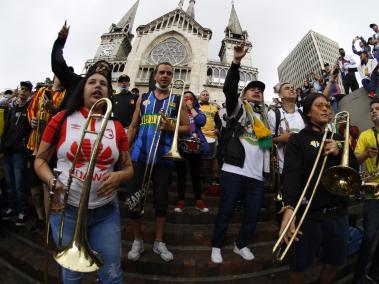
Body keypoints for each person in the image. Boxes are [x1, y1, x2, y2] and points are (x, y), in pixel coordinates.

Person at [34, 69, 133, 284]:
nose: (97, 86)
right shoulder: (61, 119)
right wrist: (53, 182)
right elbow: (39, 161)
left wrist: (119, 177)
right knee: (71, 273)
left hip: (106, 211)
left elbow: (128, 168)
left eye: (103, 84)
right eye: (92, 82)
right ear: (83, 89)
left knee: (112, 273)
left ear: (109, 92)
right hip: (66, 209)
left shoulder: (116, 127)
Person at [280, 92, 359, 284]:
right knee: (299, 266)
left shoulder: (338, 138)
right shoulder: (297, 140)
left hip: (338, 213)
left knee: (334, 262)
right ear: (308, 112)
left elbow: (354, 170)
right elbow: (290, 175)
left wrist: (339, 152)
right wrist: (289, 208)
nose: (325, 108)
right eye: (319, 105)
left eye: (327, 105)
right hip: (309, 215)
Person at [211, 42, 271, 264]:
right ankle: (217, 245)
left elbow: (267, 146)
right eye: (253, 89)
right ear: (244, 95)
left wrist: (266, 171)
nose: (258, 91)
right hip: (234, 169)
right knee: (226, 210)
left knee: (253, 215)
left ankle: (240, 245)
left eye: (260, 90)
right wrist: (235, 62)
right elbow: (229, 88)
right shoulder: (237, 109)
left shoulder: (266, 117)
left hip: (256, 175)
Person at [126, 62, 190, 262]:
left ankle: (158, 241)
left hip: (163, 158)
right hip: (139, 156)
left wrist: (171, 127)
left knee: (161, 201)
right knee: (134, 199)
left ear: (172, 77)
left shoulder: (178, 99)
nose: (165, 76)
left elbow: (187, 128)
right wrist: (124, 151)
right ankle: (137, 240)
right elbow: (134, 126)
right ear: (154, 76)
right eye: (161, 72)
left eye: (169, 73)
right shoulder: (142, 98)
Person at [26, 75, 66, 232]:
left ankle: (49, 223)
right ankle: (41, 219)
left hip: (50, 149)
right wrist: (32, 120)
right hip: (33, 144)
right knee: (34, 188)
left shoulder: (65, 95)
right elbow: (31, 109)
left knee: (46, 186)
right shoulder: (42, 90)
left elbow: (65, 117)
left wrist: (53, 109)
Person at [51, 21, 112, 110]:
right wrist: (60, 42)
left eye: (106, 69)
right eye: (100, 65)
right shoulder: (76, 81)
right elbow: (58, 65)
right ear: (93, 68)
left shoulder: (107, 93)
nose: (103, 69)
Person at [268, 82, 305, 225]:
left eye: (293, 87)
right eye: (287, 88)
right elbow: (266, 142)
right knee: (286, 207)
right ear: (280, 95)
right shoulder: (273, 114)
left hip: (304, 166)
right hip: (284, 169)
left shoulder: (303, 112)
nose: (292, 89)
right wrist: (280, 139)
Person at [353, 98, 379, 283]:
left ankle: (374, 271)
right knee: (369, 235)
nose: (373, 112)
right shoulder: (365, 135)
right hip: (373, 190)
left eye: (377, 108)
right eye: (371, 109)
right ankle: (359, 277)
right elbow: (355, 162)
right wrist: (366, 154)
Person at [1, 81, 33, 226]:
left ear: (30, 93)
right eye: (21, 89)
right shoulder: (12, 109)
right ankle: (13, 208)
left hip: (20, 153)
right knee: (9, 183)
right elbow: (6, 129)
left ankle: (23, 212)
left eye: (26, 90)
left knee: (19, 184)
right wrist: (3, 148)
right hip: (8, 151)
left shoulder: (30, 110)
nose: (22, 92)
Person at [174, 91, 210, 213]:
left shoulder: (197, 111)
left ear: (194, 100)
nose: (187, 99)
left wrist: (191, 108)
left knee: (196, 175)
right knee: (181, 175)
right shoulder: (176, 111)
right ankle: (181, 200)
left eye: (190, 98)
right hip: (180, 145)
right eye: (185, 98)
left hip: (195, 146)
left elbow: (201, 122)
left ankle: (199, 201)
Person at [198, 89, 222, 184]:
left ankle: (215, 176)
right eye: (203, 94)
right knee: (200, 156)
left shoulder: (214, 108)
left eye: (207, 94)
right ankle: (202, 175)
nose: (205, 96)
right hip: (200, 135)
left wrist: (218, 128)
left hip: (212, 135)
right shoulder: (196, 107)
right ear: (200, 97)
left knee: (214, 156)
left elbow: (218, 121)